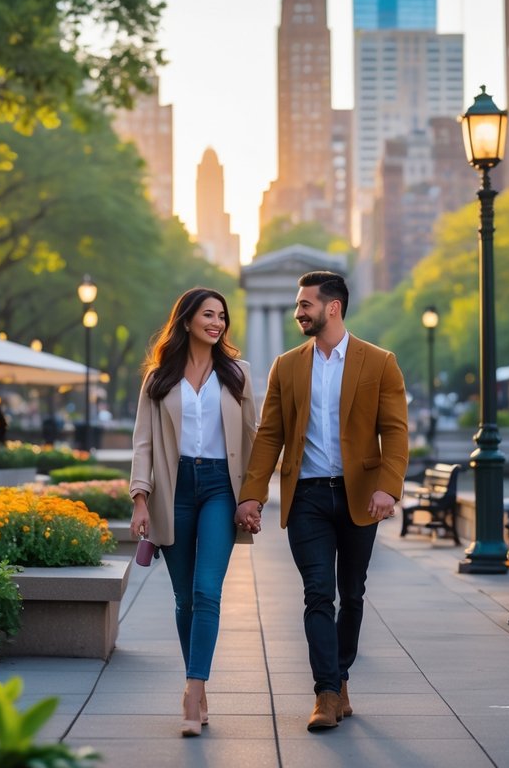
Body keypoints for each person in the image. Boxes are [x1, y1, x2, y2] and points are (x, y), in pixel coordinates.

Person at [234, 270, 409, 732]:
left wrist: (387, 486)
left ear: (332, 307)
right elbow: (270, 434)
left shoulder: (380, 362)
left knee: (352, 595)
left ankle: (341, 676)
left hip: (359, 497)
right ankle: (325, 693)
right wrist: (252, 494)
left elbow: (394, 431)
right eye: (296, 305)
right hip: (307, 495)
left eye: (305, 305)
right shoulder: (287, 366)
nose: (298, 313)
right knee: (318, 595)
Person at [129, 287, 257, 737]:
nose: (217, 323)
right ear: (186, 321)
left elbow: (253, 439)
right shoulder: (158, 379)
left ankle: (191, 690)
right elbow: (143, 442)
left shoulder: (237, 374)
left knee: (207, 592)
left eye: (222, 316)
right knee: (184, 598)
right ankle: (200, 691)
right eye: (208, 314)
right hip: (174, 489)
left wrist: (252, 497)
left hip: (221, 489)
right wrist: (140, 499)